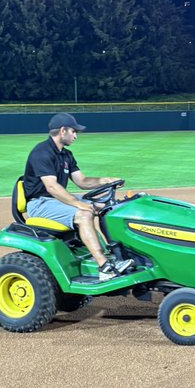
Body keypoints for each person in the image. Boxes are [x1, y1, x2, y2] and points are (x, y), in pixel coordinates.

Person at [22, 112, 133, 280]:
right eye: (74, 131)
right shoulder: (42, 152)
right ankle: (104, 267)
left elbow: (82, 181)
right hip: (40, 203)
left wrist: (106, 180)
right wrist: (77, 204)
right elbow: (51, 187)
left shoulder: (66, 155)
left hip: (55, 200)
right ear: (63, 130)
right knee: (84, 213)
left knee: (105, 205)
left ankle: (117, 253)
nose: (75, 136)